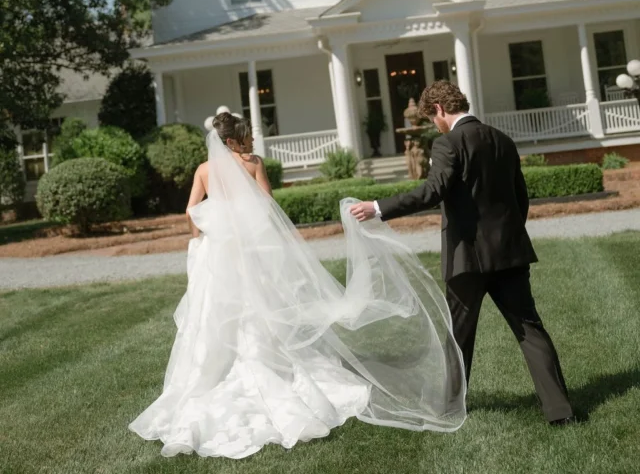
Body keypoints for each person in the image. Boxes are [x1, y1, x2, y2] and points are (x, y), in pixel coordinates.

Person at [129, 112, 466, 459]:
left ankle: (215, 373)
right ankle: (271, 367)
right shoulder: (253, 164)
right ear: (232, 141)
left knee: (215, 315)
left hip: (218, 255)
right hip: (253, 253)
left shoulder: (204, 170)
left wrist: (198, 240)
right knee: (263, 310)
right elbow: (267, 207)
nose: (252, 140)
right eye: (247, 136)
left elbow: (191, 211)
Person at [351, 80, 574, 426]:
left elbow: (432, 191)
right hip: (510, 254)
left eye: (432, 119)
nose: (434, 126)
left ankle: (451, 408)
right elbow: (521, 198)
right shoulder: (502, 140)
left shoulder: (447, 142)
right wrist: (507, 236)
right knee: (531, 331)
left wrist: (378, 207)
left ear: (440, 109)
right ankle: (561, 412)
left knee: (457, 336)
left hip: (466, 259)